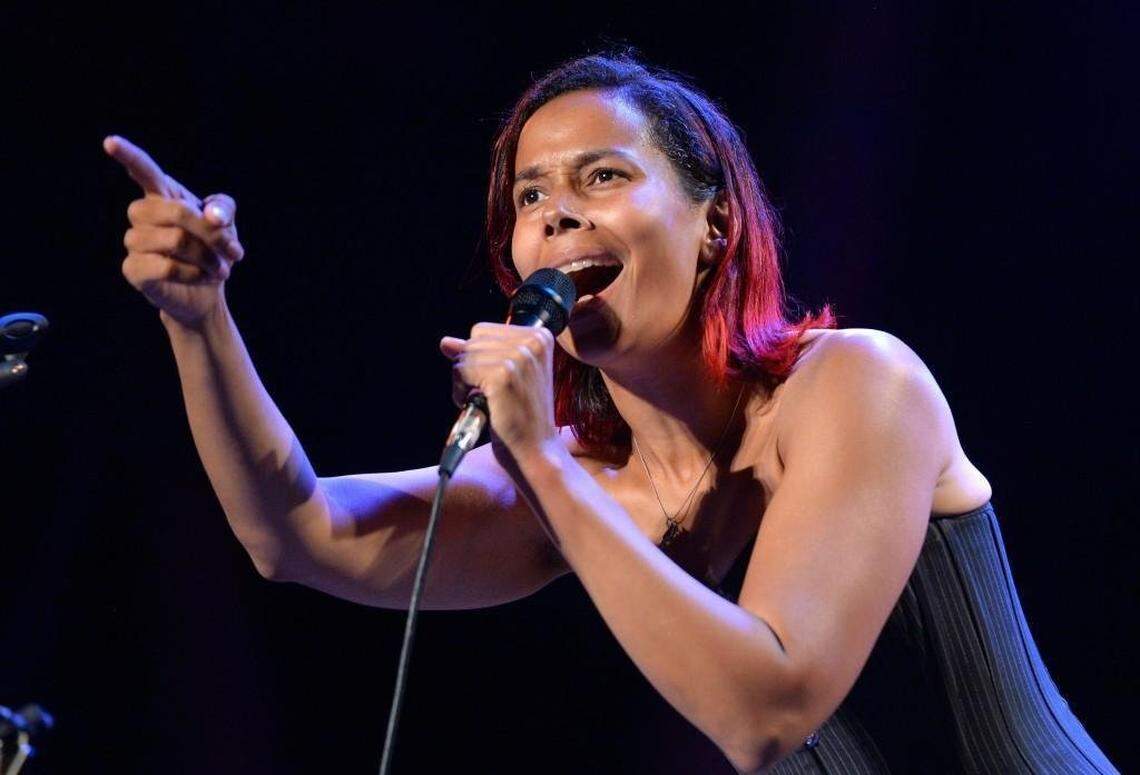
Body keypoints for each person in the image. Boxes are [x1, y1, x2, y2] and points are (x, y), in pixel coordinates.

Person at [104, 54, 1117, 773]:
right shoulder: (586, 481)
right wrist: (200, 322)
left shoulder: (859, 384)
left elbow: (766, 713)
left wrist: (539, 458)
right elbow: (297, 532)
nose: (556, 213)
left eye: (604, 176)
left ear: (714, 220)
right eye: (530, 196)